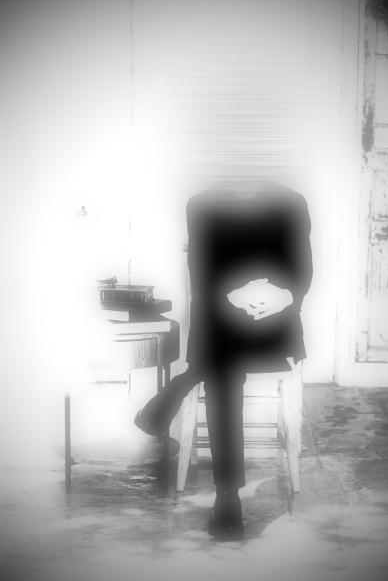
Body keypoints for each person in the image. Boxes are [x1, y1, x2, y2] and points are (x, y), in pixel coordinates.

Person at [135, 178, 313, 540]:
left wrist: (284, 295)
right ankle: (227, 494)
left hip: (273, 325)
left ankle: (181, 384)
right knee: (223, 367)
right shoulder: (202, 204)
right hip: (222, 318)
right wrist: (232, 294)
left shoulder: (291, 203)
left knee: (217, 361)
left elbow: (303, 268)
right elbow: (202, 271)